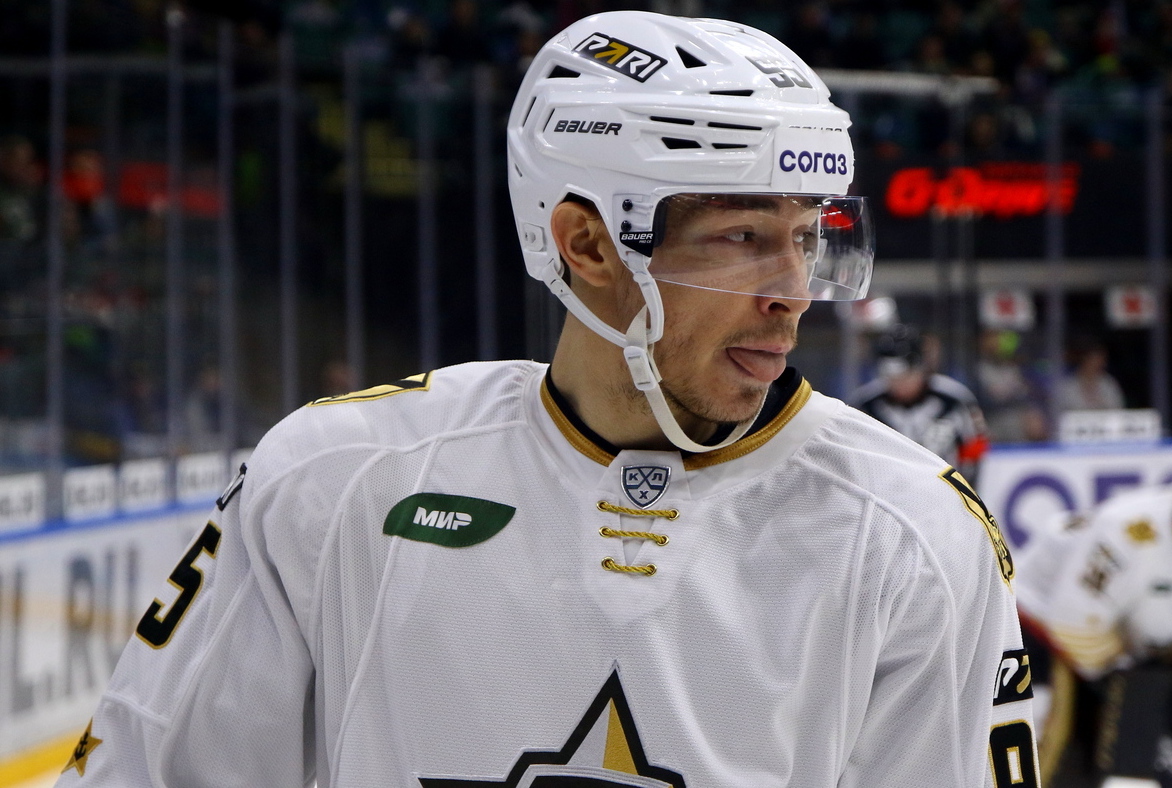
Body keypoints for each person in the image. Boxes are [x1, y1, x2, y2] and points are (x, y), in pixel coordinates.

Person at [58, 11, 1037, 787]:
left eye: (807, 236)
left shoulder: (915, 535)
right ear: (587, 244)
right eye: (742, 238)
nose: (791, 290)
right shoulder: (334, 480)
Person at [1013, 447, 1172, 788]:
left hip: (1124, 646)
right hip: (1043, 632)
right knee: (1064, 744)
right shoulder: (1128, 531)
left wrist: (1169, 668)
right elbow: (1071, 622)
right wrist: (1126, 682)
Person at [851, 324, 990, 484]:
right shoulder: (865, 405)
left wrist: (964, 487)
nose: (899, 384)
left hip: (944, 492)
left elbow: (975, 446)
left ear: (921, 368)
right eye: (890, 377)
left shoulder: (954, 400)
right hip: (883, 494)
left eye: (906, 375)